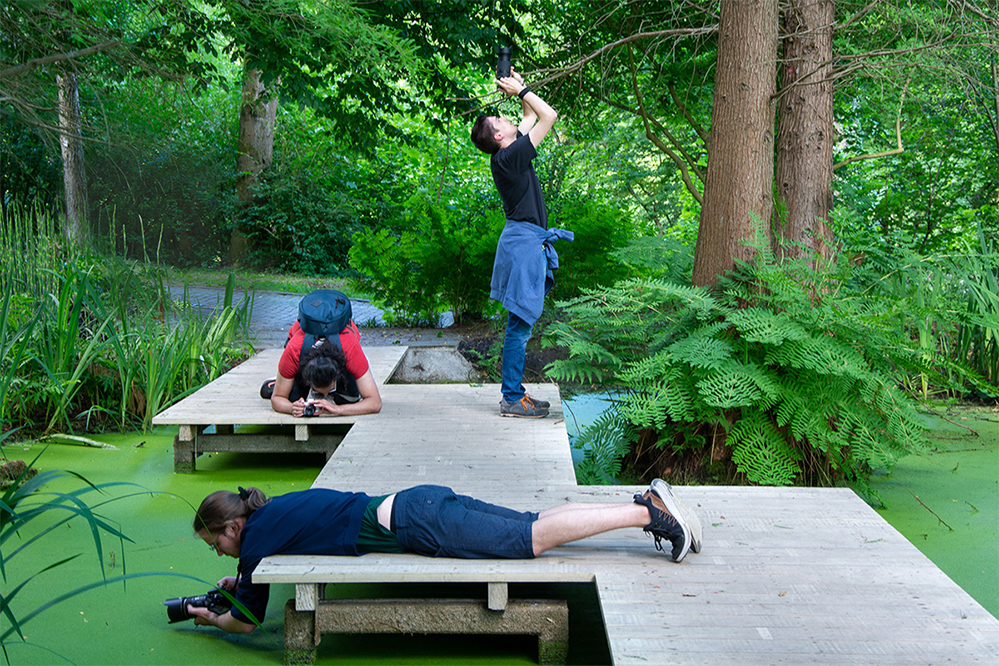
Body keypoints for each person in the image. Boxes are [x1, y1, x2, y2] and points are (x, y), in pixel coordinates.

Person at [185, 480, 703, 633]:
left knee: (532, 541)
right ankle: (640, 505)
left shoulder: (253, 542)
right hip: (419, 501)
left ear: (231, 527)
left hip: (420, 522)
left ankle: (650, 515)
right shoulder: (272, 510)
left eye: (218, 545)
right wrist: (239, 580)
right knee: (532, 521)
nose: (224, 555)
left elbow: (247, 621)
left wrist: (209, 615)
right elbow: (257, 568)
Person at [470, 69, 572, 419]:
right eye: (499, 118)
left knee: (519, 324)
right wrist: (523, 89)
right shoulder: (510, 157)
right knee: (520, 326)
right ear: (498, 134)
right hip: (524, 246)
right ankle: (511, 397)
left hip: (524, 242)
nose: (506, 117)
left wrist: (516, 85)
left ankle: (514, 394)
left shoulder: (508, 152)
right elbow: (549, 115)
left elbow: (529, 115)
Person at [265, 319, 382, 417]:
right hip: (300, 350)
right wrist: (292, 408)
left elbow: (375, 403)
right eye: (317, 392)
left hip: (346, 348)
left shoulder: (351, 350)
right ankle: (282, 379)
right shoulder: (293, 351)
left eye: (329, 391)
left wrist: (339, 409)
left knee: (351, 396)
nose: (325, 397)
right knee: (292, 396)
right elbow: (277, 399)